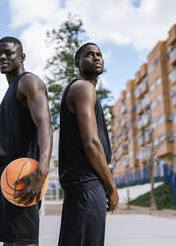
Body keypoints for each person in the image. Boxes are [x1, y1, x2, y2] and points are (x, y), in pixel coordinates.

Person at [0, 36, 52, 246]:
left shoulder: (29, 82)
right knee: (11, 243)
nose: (2, 57)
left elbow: (45, 126)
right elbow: (10, 153)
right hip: (8, 179)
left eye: (8, 53)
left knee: (24, 242)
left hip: (25, 179)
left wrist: (42, 170)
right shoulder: (9, 92)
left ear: (22, 57)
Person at [58, 42, 119, 246]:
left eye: (99, 54)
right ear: (77, 63)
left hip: (80, 187)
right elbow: (91, 143)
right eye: (89, 54)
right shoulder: (83, 88)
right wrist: (111, 187)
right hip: (87, 185)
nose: (96, 57)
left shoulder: (81, 90)